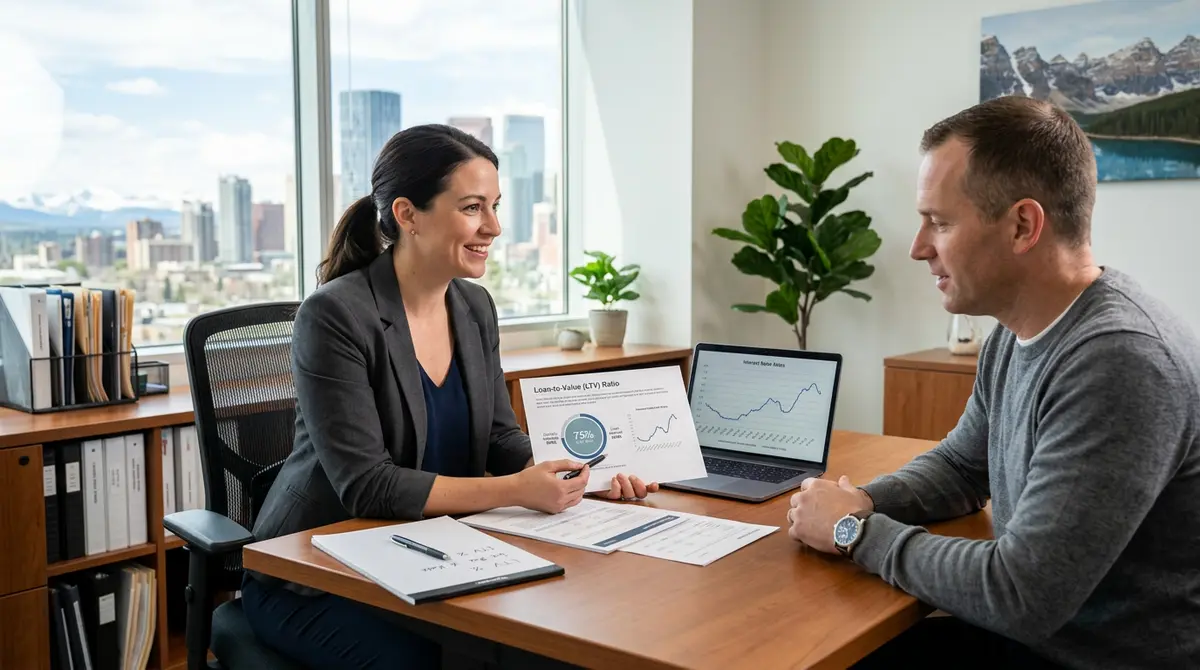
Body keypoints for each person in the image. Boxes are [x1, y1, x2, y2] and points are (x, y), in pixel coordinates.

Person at [786, 95, 1200, 669]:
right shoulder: (1016, 333)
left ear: (1023, 226)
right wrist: (860, 500)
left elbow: (1020, 594)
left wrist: (855, 530)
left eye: (941, 221)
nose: (918, 247)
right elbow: (961, 467)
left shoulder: (1121, 362)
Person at [242, 123, 659, 669]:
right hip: (317, 573)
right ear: (407, 214)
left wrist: (571, 475)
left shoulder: (474, 307)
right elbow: (367, 486)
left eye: (495, 206)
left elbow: (496, 435)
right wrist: (516, 490)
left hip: (433, 553)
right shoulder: (335, 315)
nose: (493, 226)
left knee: (554, 641)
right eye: (471, 208)